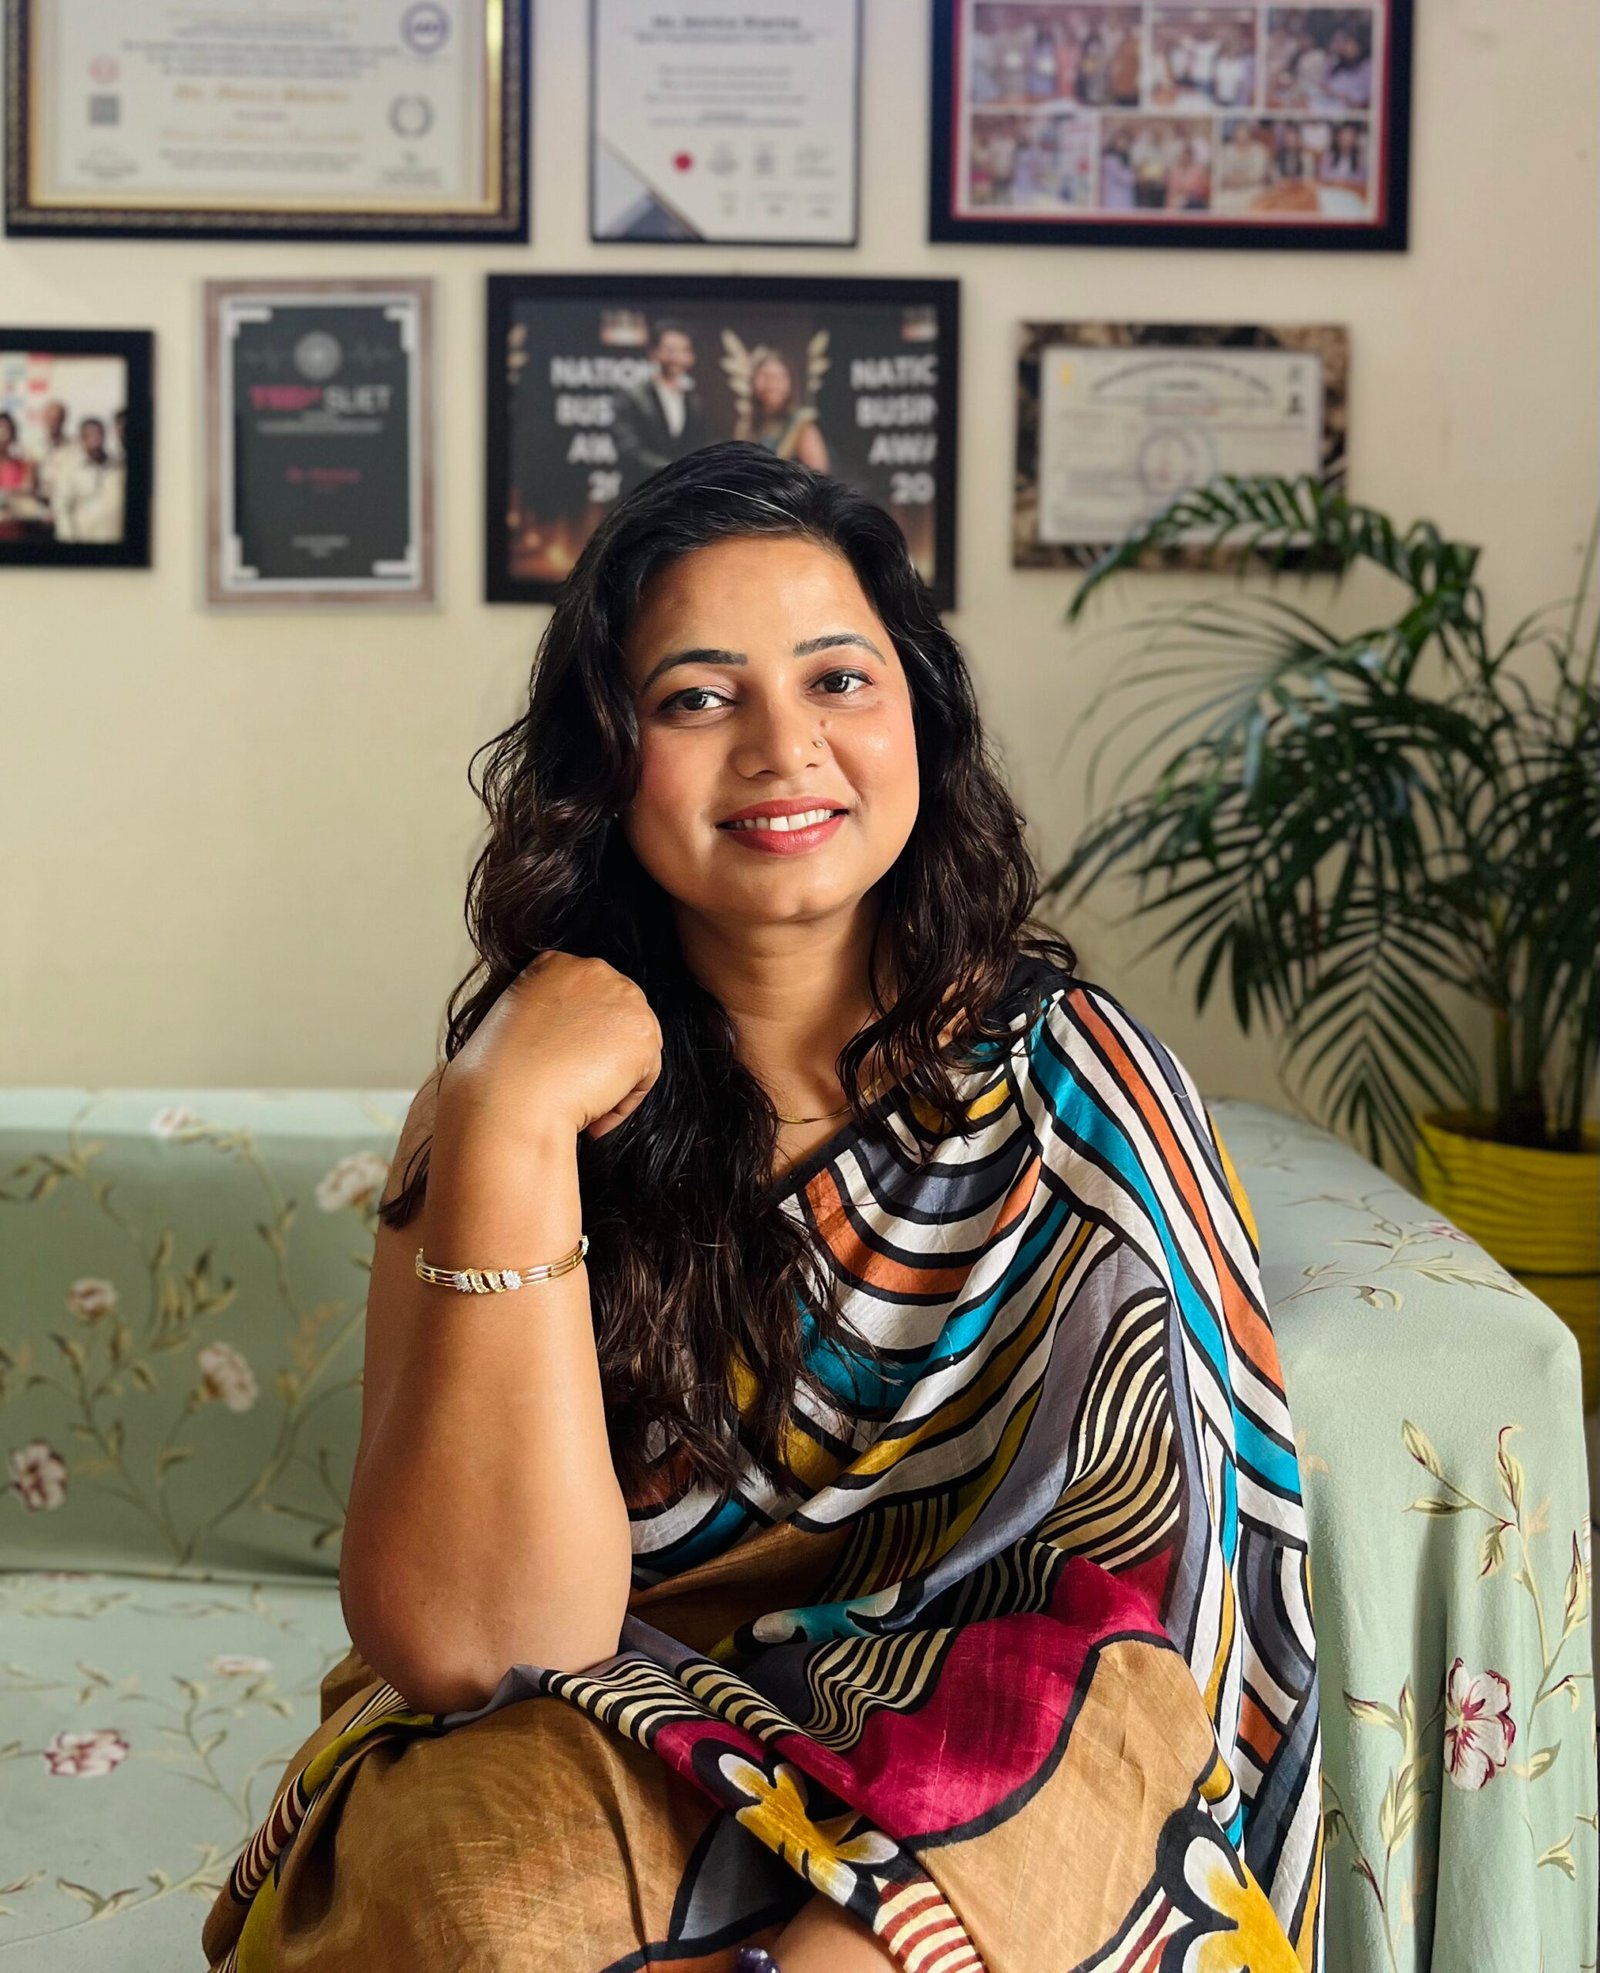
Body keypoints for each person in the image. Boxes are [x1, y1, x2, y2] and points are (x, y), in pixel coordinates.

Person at [200, 442, 1325, 1973]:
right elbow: (479, 1648)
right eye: (697, 697)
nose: (784, 746)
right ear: (607, 762)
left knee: (1093, 1746)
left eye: (839, 680)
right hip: (598, 1734)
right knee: (484, 1888)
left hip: (988, 1760)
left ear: (921, 716)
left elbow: (1167, 1622)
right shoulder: (507, 1102)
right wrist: (513, 1126)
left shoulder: (1079, 1091)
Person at [612, 319, 709, 491]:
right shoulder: (632, 397)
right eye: (670, 350)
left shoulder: (695, 400)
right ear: (654, 352)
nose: (675, 357)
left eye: (683, 350)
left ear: (691, 356)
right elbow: (629, 450)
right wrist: (670, 471)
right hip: (641, 490)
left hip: (683, 492)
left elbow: (700, 444)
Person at [736, 351, 831, 473]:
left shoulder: (802, 425)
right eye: (766, 376)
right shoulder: (746, 425)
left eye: (778, 377)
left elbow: (820, 475)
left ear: (790, 383)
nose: (772, 384)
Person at [50, 416, 125, 543]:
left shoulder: (118, 467)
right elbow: (61, 508)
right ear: (82, 439)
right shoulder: (69, 470)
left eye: (98, 434)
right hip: (83, 539)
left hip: (115, 538)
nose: (95, 439)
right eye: (89, 435)